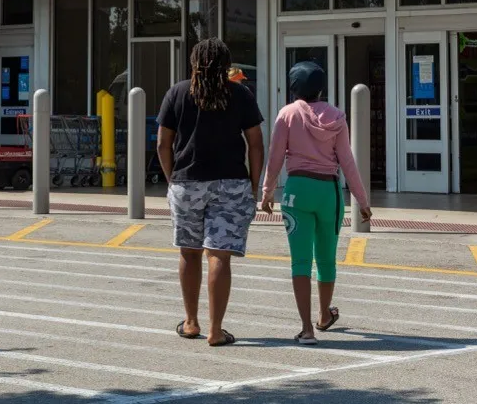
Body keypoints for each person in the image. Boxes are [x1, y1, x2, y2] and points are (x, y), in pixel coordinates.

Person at [157, 38, 264, 347]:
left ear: (194, 62)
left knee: (189, 252)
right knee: (219, 255)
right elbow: (256, 143)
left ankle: (191, 322)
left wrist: (172, 179)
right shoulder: (240, 94)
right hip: (231, 183)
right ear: (226, 64)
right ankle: (216, 331)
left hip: (187, 183)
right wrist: (253, 184)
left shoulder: (177, 93)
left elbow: (163, 144)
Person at [260, 61, 372, 344]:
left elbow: (275, 156)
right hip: (328, 193)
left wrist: (267, 191)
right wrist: (362, 200)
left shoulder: (287, 114)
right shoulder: (337, 117)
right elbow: (347, 161)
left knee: (300, 261)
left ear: (293, 87)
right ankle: (324, 315)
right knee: (326, 259)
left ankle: (306, 328)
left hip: (297, 191)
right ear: (321, 88)